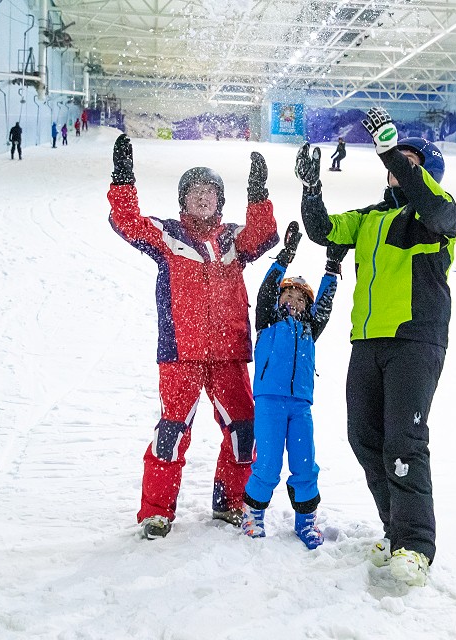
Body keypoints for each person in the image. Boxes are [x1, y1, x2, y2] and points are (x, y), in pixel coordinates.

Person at [295, 106, 456, 587]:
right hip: (366, 343)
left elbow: (431, 205)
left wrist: (391, 146)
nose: (398, 165)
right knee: (365, 438)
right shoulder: (369, 219)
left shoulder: (435, 215)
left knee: (404, 443)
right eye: (393, 160)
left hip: (414, 340)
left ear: (425, 173)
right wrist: (311, 190)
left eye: (410, 160)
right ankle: (395, 529)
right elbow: (324, 231)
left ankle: (414, 546)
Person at [107, 134, 279, 540]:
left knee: (243, 431)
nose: (203, 198)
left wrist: (258, 194)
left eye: (211, 192)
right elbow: (127, 221)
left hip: (229, 353)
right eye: (195, 192)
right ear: (183, 200)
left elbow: (263, 234)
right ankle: (157, 512)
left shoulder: (233, 240)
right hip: (180, 351)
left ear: (220, 201)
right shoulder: (168, 235)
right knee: (171, 431)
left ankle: (229, 502)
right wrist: (123, 178)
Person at [240, 222, 343, 550]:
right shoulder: (268, 320)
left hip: (300, 405)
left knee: (304, 462)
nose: (294, 300)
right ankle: (253, 513)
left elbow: (325, 303)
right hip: (269, 402)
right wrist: (284, 257)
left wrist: (332, 268)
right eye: (289, 293)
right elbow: (266, 290)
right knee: (267, 463)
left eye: (301, 297)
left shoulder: (311, 328)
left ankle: (306, 520)